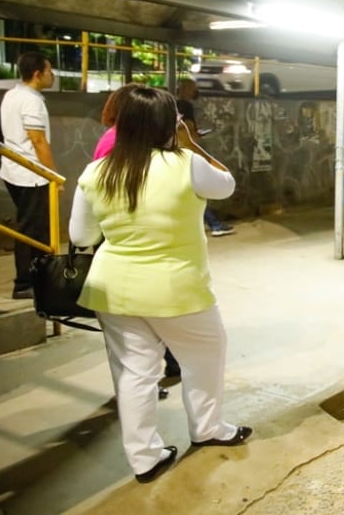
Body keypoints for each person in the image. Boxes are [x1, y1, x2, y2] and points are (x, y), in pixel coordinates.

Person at [69, 87, 251, 483]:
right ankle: (208, 429)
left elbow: (81, 236)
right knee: (204, 356)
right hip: (178, 288)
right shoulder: (186, 164)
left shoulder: (95, 171)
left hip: (113, 289)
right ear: (171, 124)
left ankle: (145, 459)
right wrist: (192, 146)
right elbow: (227, 185)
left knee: (136, 372)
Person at [93, 83, 182, 383]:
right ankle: (163, 367)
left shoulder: (119, 140)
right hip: (128, 242)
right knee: (147, 322)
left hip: (124, 243)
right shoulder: (117, 142)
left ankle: (163, 365)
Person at [0, 51, 57, 299]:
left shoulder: (12, 94)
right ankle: (25, 284)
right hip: (31, 174)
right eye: (49, 70)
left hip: (14, 171)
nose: (52, 75)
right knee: (33, 231)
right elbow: (38, 141)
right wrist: (53, 175)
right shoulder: (31, 101)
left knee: (32, 228)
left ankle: (36, 279)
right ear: (37, 74)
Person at [176, 78, 234, 237]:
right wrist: (194, 139)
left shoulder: (173, 105)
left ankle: (213, 223)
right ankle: (214, 224)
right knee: (196, 190)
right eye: (193, 88)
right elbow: (227, 181)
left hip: (178, 152)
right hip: (187, 151)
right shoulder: (186, 106)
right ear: (187, 89)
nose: (196, 91)